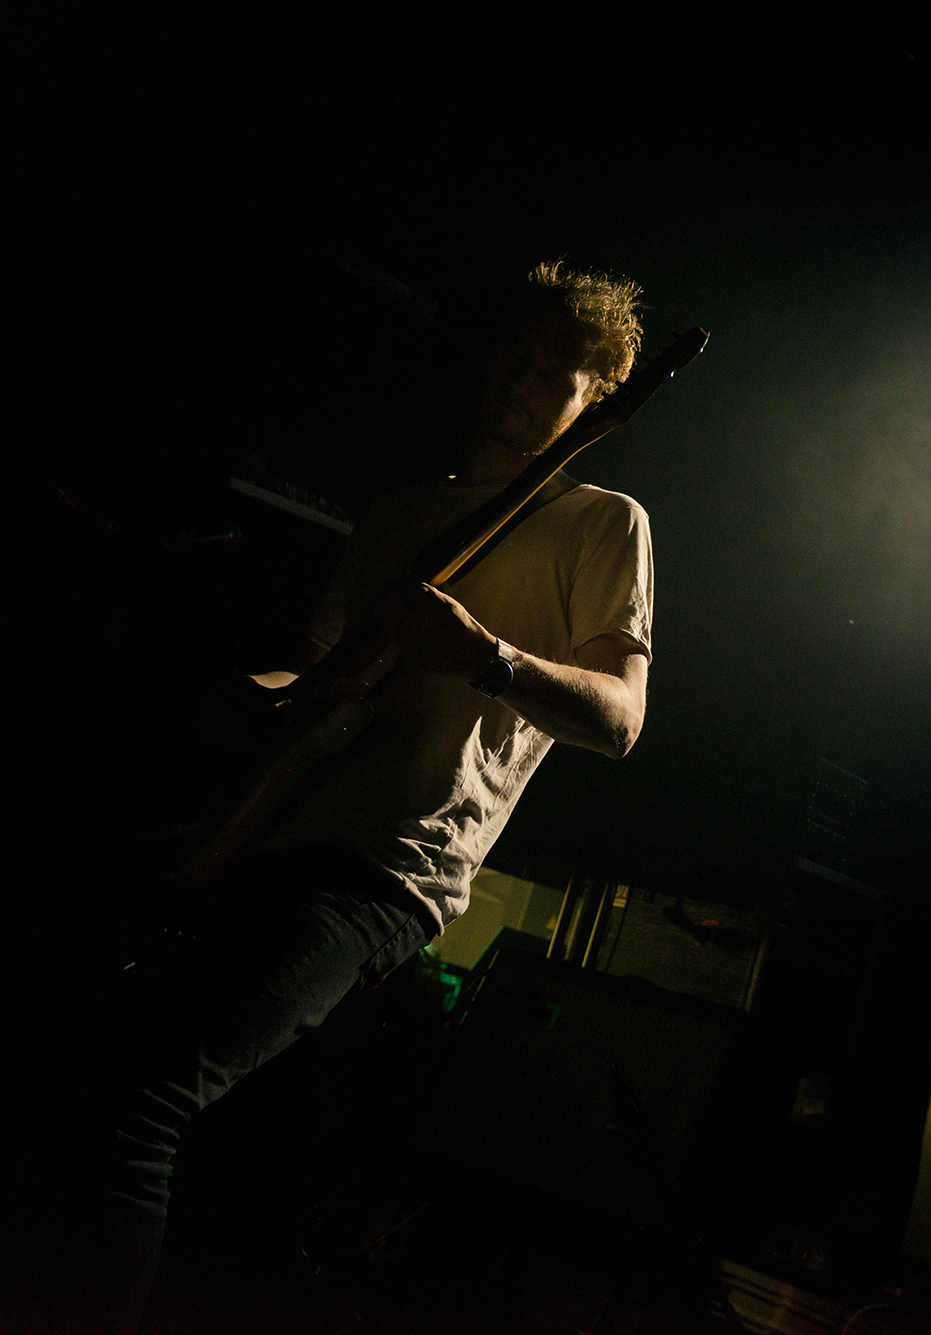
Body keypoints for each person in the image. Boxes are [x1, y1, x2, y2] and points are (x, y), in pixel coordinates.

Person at [99, 260, 655, 1331]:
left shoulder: (603, 521)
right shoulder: (401, 513)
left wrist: (486, 655)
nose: (516, 378)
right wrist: (242, 693)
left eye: (552, 368)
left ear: (599, 398)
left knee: (144, 1096)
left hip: (384, 870)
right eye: (510, 354)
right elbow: (316, 681)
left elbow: (620, 720)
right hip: (265, 837)